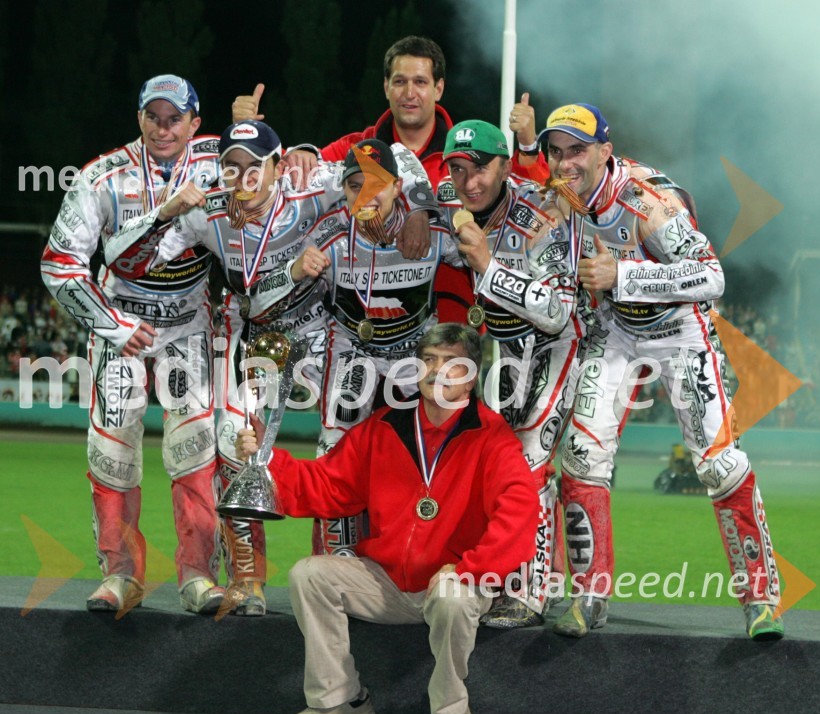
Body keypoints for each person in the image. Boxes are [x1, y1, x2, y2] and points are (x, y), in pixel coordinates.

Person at [105, 122, 436, 614]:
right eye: (232, 166)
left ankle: (336, 573)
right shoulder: (207, 211)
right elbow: (123, 258)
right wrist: (164, 212)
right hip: (251, 330)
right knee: (234, 447)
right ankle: (247, 579)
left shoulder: (314, 182)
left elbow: (396, 158)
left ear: (278, 166)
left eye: (255, 166)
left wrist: (422, 209)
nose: (244, 177)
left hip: (319, 329)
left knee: (338, 451)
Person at [534, 102, 782, 640]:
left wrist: (621, 274)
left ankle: (761, 601)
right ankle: (589, 597)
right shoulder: (563, 198)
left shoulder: (645, 201)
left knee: (719, 465)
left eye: (576, 151)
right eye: (555, 151)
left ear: (604, 151)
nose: (564, 162)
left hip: (681, 330)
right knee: (581, 454)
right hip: (617, 329)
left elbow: (711, 277)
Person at [235, 323, 539, 714]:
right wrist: (268, 460)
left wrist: (470, 569)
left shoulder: (492, 436)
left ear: (471, 376)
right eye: (429, 360)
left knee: (453, 596)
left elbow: (519, 513)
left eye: (450, 363)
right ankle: (341, 700)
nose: (436, 371)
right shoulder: (385, 426)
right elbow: (329, 486)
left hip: (452, 581)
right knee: (309, 575)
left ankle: (452, 708)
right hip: (387, 582)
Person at [40, 74, 224, 614]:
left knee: (196, 449)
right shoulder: (101, 176)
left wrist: (270, 140)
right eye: (153, 117)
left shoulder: (220, 162)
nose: (163, 129)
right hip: (121, 327)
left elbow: (285, 171)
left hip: (187, 325)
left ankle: (198, 576)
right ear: (139, 118)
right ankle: (120, 575)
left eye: (175, 119)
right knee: (112, 451)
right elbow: (59, 264)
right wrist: (112, 325)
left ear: (194, 122)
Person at [257, 137, 460, 555]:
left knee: (429, 460)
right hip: (353, 350)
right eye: (354, 186)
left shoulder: (432, 230)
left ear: (398, 187)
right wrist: (295, 270)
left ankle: (421, 561)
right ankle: (334, 564)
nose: (365, 195)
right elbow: (257, 299)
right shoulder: (328, 234)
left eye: (377, 184)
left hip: (413, 357)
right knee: (335, 452)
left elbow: (485, 257)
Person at [233, 35, 506, 324]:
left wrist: (422, 209)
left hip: (450, 326)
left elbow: (513, 197)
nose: (409, 93)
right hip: (363, 324)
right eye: (399, 82)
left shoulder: (464, 158)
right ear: (386, 86)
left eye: (420, 82)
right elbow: (279, 177)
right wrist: (252, 136)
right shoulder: (356, 148)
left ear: (438, 88)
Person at [438, 120, 581, 628]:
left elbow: (559, 313)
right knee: (494, 466)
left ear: (503, 167)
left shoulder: (540, 216)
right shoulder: (451, 202)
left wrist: (488, 265)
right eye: (458, 170)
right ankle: (521, 577)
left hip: (557, 346)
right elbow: (411, 186)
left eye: (480, 169)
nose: (469, 181)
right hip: (504, 352)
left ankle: (529, 593)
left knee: (529, 459)